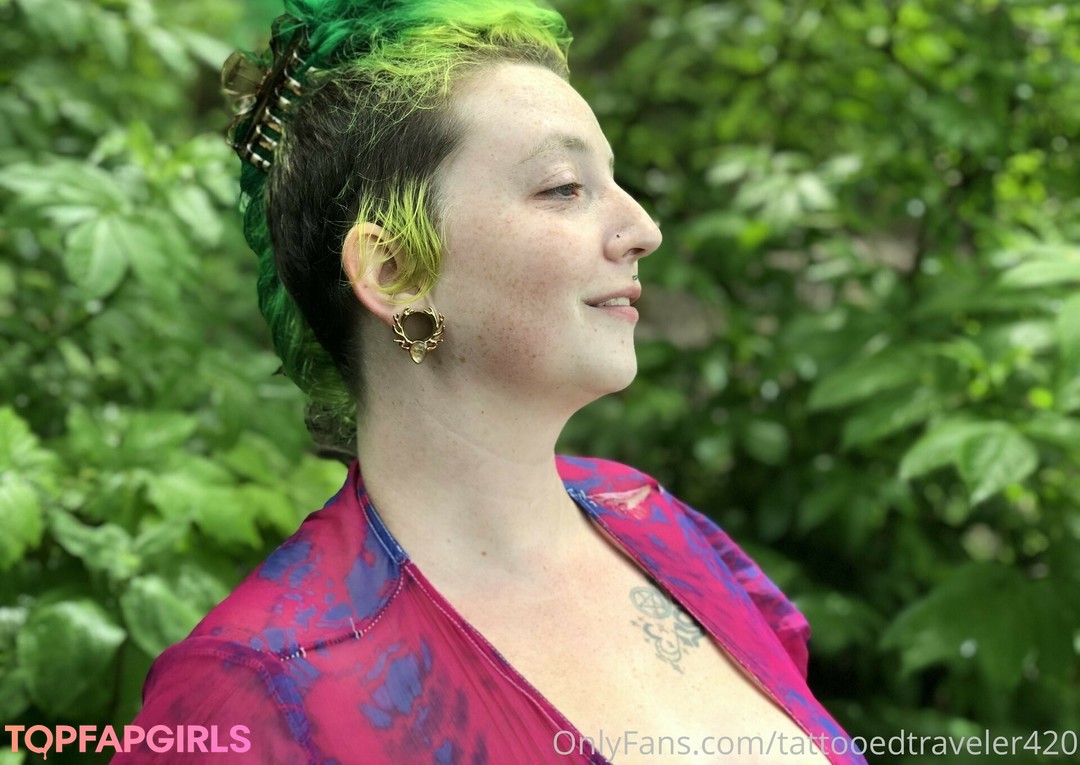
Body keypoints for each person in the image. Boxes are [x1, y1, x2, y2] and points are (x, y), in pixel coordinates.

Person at [117, 1, 866, 763]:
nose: (644, 230)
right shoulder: (256, 690)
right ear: (394, 270)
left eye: (614, 182)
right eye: (564, 188)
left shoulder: (659, 527)